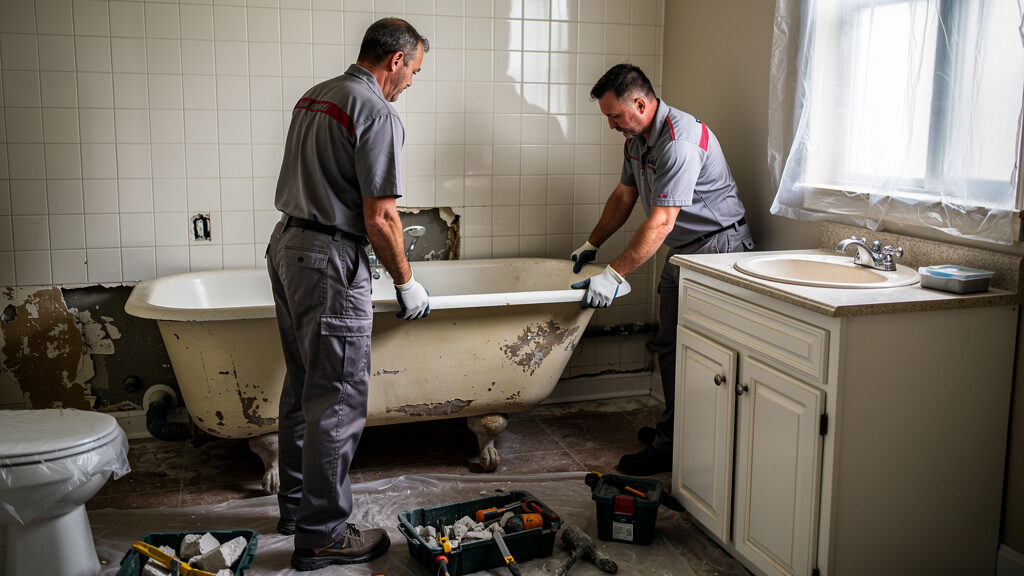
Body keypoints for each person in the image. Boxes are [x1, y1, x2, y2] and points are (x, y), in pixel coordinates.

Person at [266, 18, 431, 571]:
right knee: (336, 400)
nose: (411, 82)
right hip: (330, 260)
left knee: (302, 388)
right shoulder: (377, 111)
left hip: (287, 245)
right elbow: (381, 215)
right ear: (395, 61)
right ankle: (322, 535)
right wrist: (406, 281)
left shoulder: (318, 95)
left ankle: (295, 510)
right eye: (413, 71)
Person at [571, 64, 754, 476]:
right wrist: (592, 243)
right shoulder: (636, 140)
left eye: (615, 116)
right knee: (671, 346)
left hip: (717, 250)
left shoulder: (679, 141)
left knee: (706, 355)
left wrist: (614, 274)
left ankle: (679, 444)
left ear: (640, 103)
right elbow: (623, 196)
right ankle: (676, 432)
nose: (612, 125)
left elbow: (660, 222)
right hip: (683, 252)